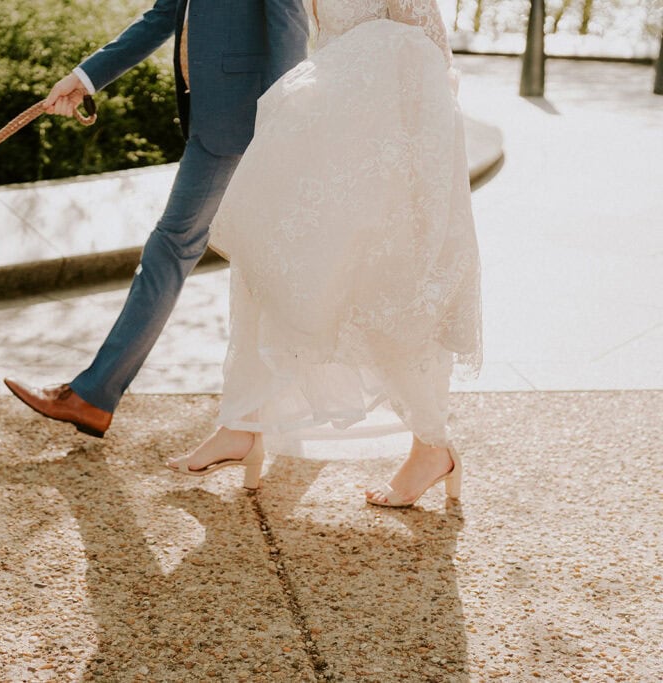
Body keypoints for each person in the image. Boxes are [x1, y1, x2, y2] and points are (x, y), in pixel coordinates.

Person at [166, 0, 483, 507]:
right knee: (268, 267)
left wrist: (413, 167)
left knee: (386, 290)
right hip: (323, 133)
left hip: (386, 144)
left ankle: (431, 446)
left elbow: (429, 47)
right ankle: (241, 425)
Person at [3, 0, 311, 438]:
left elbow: (290, 25)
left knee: (172, 248)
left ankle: (93, 397)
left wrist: (280, 120)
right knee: (195, 249)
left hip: (241, 120)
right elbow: (163, 17)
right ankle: (98, 396)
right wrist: (84, 79)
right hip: (213, 119)